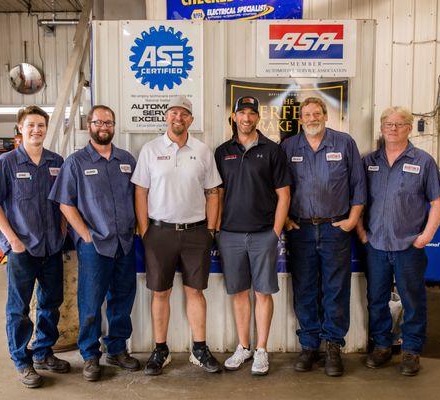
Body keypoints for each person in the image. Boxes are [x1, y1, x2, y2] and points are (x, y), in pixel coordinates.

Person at [131, 96, 223, 376]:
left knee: (196, 291)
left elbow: (213, 192)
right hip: (159, 232)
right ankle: (160, 349)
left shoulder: (203, 150)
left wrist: (211, 230)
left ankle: (199, 349)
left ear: (191, 120)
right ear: (166, 118)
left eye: (183, 114)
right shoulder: (150, 149)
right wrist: (145, 230)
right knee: (161, 292)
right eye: (173, 113)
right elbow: (141, 191)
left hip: (196, 233)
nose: (178, 118)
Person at [49, 105, 139, 381]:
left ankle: (117, 349)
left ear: (114, 125)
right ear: (89, 125)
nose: (104, 126)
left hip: (124, 243)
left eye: (108, 122)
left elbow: (139, 196)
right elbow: (65, 203)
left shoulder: (126, 160)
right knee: (90, 304)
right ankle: (89, 355)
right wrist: (85, 235)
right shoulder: (76, 162)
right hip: (94, 247)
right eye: (98, 122)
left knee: (122, 299)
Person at [281, 96, 366, 377]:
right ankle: (309, 346)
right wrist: (287, 219)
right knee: (305, 288)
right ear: (300, 118)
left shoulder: (344, 143)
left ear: (326, 116)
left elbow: (358, 184)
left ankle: (332, 346)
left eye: (317, 113)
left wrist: (353, 219)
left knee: (335, 288)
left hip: (334, 229)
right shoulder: (289, 146)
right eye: (307, 114)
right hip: (301, 230)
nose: (312, 118)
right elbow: (279, 187)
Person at [356, 106, 440, 376]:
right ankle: (382, 345)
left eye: (399, 124)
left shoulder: (423, 161)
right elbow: (357, 200)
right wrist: (362, 233)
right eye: (388, 124)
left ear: (409, 128)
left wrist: (426, 236)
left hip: (408, 247)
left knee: (413, 299)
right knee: (377, 298)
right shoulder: (369, 161)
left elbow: (437, 202)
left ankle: (411, 350)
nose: (392, 128)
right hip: (376, 246)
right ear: (381, 128)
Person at [0, 105, 69, 388]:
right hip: (22, 250)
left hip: (52, 248)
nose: (36, 130)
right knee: (19, 308)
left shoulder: (56, 161)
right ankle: (22, 361)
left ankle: (43, 352)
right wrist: (12, 241)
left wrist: (63, 231)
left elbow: (64, 202)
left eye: (41, 125)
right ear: (20, 129)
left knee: (51, 303)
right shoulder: (6, 162)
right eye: (30, 125)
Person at [215, 96, 291, 376]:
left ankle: (261, 350)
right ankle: (243, 347)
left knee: (262, 292)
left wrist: (275, 232)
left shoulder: (272, 150)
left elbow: (284, 195)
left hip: (263, 234)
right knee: (238, 293)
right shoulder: (222, 151)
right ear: (234, 117)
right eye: (241, 113)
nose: (246, 118)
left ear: (258, 118)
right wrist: (218, 230)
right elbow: (218, 194)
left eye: (251, 114)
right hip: (230, 235)